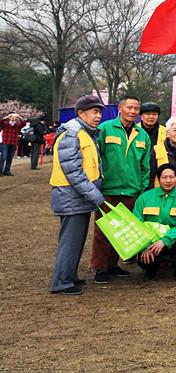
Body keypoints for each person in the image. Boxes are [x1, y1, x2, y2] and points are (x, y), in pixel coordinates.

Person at [49, 95, 107, 295]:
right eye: (94, 111)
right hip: (71, 197)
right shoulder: (72, 134)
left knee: (76, 241)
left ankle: (69, 276)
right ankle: (62, 282)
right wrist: (95, 195)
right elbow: (73, 172)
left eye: (99, 112)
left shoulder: (86, 133)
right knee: (70, 241)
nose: (98, 116)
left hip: (79, 198)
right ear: (81, 113)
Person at [91, 95, 151, 285]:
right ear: (120, 108)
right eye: (130, 107)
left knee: (123, 230)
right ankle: (100, 268)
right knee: (103, 230)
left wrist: (141, 187)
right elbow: (95, 159)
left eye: (136, 109)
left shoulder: (142, 135)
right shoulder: (105, 129)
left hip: (132, 190)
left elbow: (145, 166)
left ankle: (112, 265)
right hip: (108, 189)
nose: (133, 112)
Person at [133, 163, 176, 282]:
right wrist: (145, 247)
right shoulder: (144, 197)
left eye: (171, 177)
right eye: (164, 177)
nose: (168, 180)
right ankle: (151, 270)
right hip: (151, 243)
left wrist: (165, 240)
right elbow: (136, 224)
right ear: (158, 179)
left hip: (174, 241)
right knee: (144, 261)